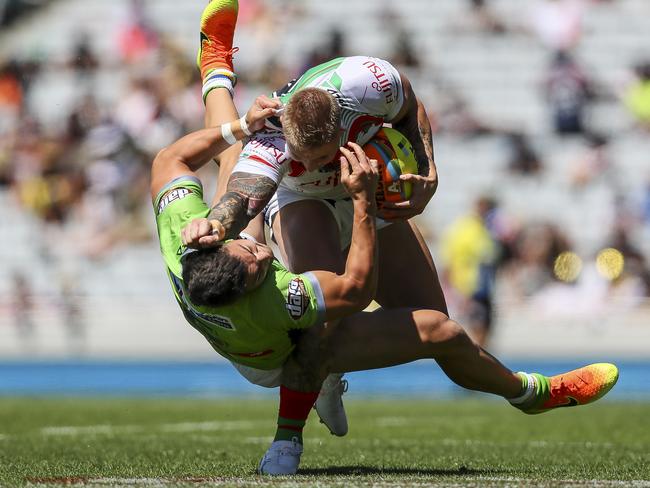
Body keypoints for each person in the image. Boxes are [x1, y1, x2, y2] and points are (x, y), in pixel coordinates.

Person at [151, 104, 618, 476]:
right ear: (255, 286)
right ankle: (532, 394)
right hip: (275, 348)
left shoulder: (183, 241)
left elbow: (169, 159)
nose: (264, 254)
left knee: (234, 161)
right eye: (258, 263)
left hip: (254, 281)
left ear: (208, 247)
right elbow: (356, 289)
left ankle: (215, 58)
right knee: (431, 334)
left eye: (246, 250)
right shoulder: (281, 299)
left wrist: (234, 115)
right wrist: (360, 204)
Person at [187, 0, 448, 434]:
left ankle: (326, 365)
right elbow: (238, 194)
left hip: (361, 186)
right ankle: (215, 63)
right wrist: (215, 225)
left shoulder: (369, 81)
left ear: (341, 126)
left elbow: (408, 105)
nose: (311, 165)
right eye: (301, 157)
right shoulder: (271, 140)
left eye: (320, 157)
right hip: (299, 201)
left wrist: (427, 168)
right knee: (232, 161)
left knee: (433, 320)